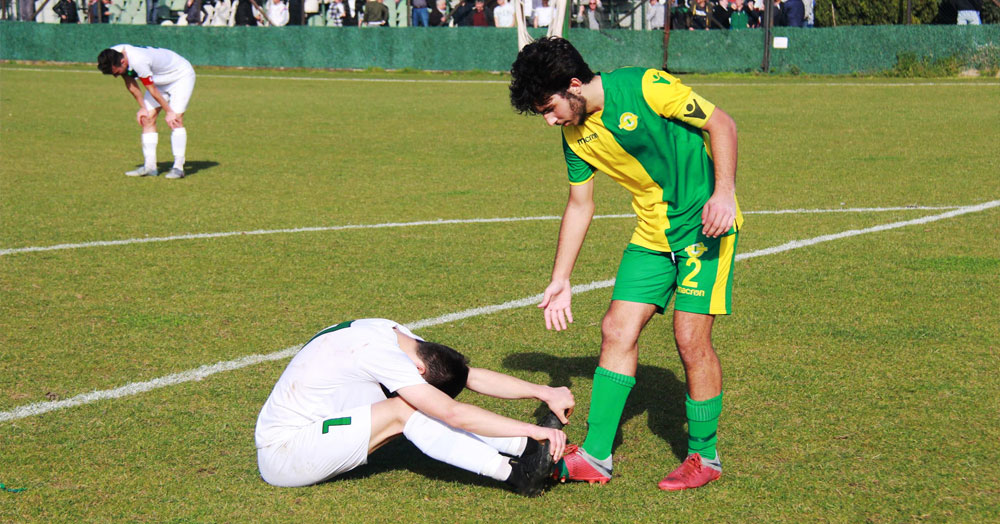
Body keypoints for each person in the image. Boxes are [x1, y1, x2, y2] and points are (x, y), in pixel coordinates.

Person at [508, 37, 742, 491]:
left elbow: (723, 124)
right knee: (616, 328)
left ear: (574, 85)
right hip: (652, 234)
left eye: (550, 107)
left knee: (690, 336)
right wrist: (561, 278)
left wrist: (724, 192)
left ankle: (704, 456)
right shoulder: (573, 136)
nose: (550, 119)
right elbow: (580, 205)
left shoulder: (646, 85)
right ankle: (596, 456)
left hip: (703, 226)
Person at [255, 318, 573, 496]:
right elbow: (450, 412)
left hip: (309, 431)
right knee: (405, 409)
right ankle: (517, 474)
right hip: (285, 452)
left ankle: (528, 451)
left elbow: (467, 377)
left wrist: (544, 392)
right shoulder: (381, 355)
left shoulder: (397, 336)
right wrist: (531, 430)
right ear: (421, 371)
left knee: (414, 403)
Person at [97, 46, 196, 179]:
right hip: (158, 80)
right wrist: (142, 107)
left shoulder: (138, 60)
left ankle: (178, 167)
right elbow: (130, 83)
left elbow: (152, 89)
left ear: (123, 62)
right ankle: (150, 167)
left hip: (180, 76)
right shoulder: (114, 55)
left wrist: (169, 112)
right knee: (147, 118)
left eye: (116, 72)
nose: (116, 76)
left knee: (175, 119)